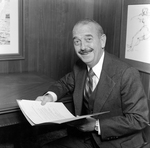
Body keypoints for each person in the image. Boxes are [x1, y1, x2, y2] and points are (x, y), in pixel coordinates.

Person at [36, 19, 149, 148]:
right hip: (86, 139)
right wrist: (50, 96)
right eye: (77, 41)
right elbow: (64, 83)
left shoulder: (127, 73)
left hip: (118, 142)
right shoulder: (79, 67)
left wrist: (96, 125)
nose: (83, 47)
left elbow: (139, 119)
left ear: (102, 41)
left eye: (88, 39)